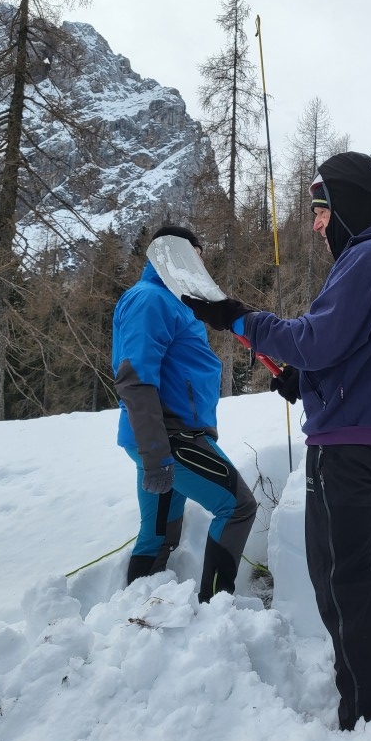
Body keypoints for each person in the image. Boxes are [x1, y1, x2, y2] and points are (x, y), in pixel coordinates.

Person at [183, 152, 371, 730]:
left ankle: (369, 716)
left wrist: (238, 318)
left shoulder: (369, 256)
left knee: (338, 578)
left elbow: (317, 339)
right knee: (360, 568)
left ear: (346, 207)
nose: (317, 223)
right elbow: (364, 355)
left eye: (322, 210)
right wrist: (307, 381)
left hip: (350, 445)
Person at [111, 224, 257, 601]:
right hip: (171, 439)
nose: (200, 263)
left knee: (159, 533)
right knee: (238, 507)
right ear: (174, 253)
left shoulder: (175, 302)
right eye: (196, 253)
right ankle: (216, 608)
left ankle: (134, 611)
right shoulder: (150, 299)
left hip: (169, 438)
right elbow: (135, 379)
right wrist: (157, 455)